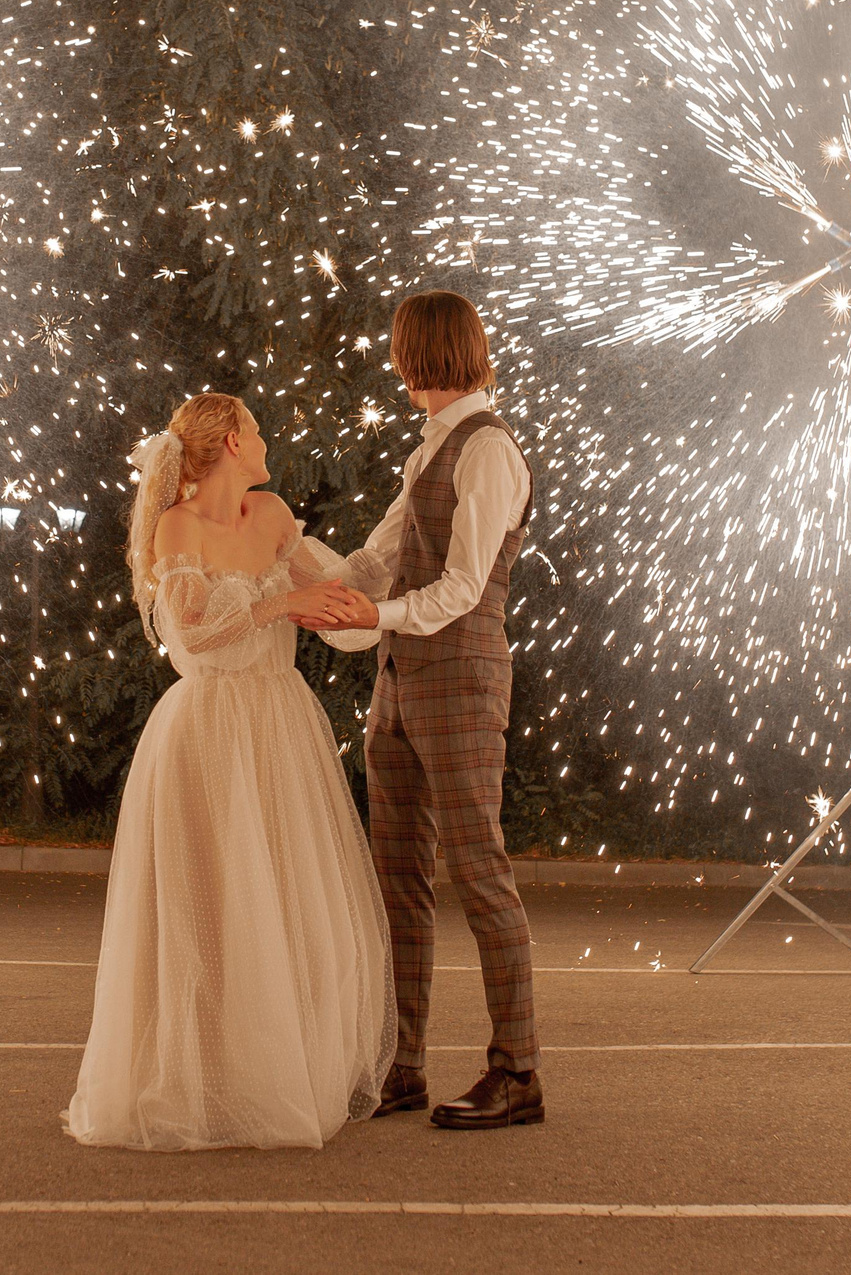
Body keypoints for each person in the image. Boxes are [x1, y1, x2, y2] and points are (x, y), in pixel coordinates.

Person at [64, 392, 393, 1150]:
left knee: (282, 897)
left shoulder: (273, 514)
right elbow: (197, 632)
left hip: (279, 725)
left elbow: (344, 585)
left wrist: (396, 551)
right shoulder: (178, 526)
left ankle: (272, 1073)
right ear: (230, 442)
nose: (266, 438)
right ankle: (201, 1080)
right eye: (255, 428)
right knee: (208, 904)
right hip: (208, 728)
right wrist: (283, 606)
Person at [300, 290, 542, 1130]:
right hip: (400, 683)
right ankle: (401, 1063)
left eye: (399, 347)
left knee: (479, 872)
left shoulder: (489, 449)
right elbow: (380, 557)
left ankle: (518, 1072)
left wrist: (375, 615)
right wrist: (304, 584)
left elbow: (465, 586)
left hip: (460, 678)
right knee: (395, 879)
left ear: (419, 353)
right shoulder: (435, 446)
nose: (394, 363)